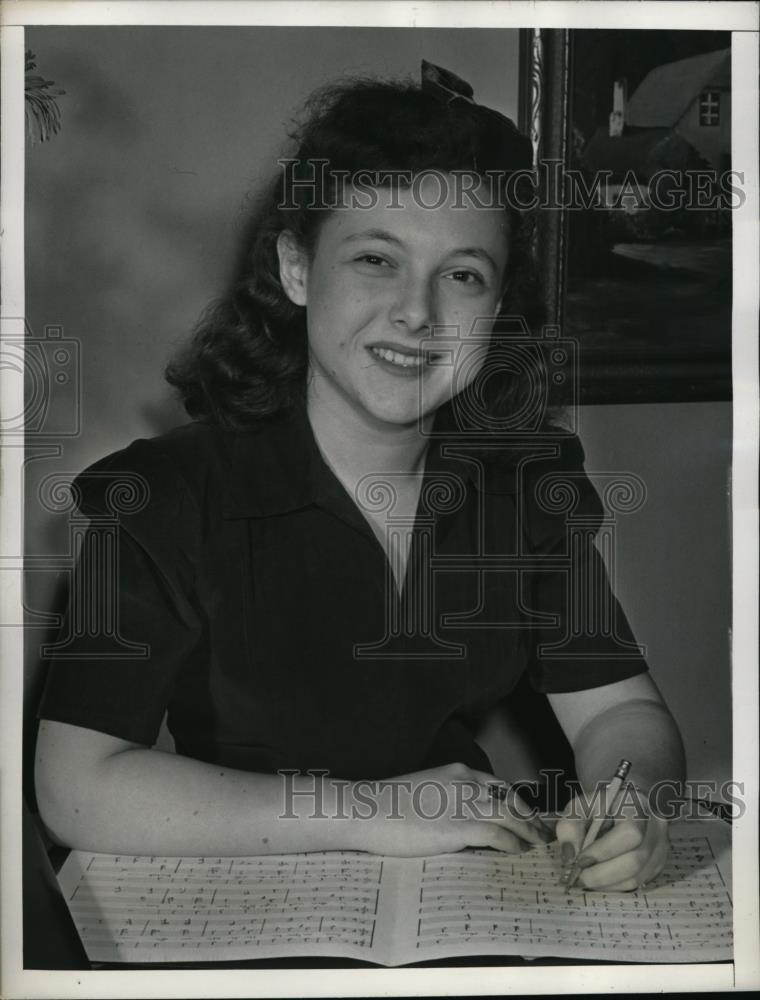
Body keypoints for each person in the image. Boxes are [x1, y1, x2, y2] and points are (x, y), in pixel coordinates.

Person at [35, 63, 686, 892]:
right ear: (298, 270)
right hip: (246, 900)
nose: (419, 313)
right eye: (376, 259)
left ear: (493, 312)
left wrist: (633, 802)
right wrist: (372, 812)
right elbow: (73, 787)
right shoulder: (159, 498)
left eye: (462, 275)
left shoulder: (525, 492)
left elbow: (621, 710)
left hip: (465, 902)